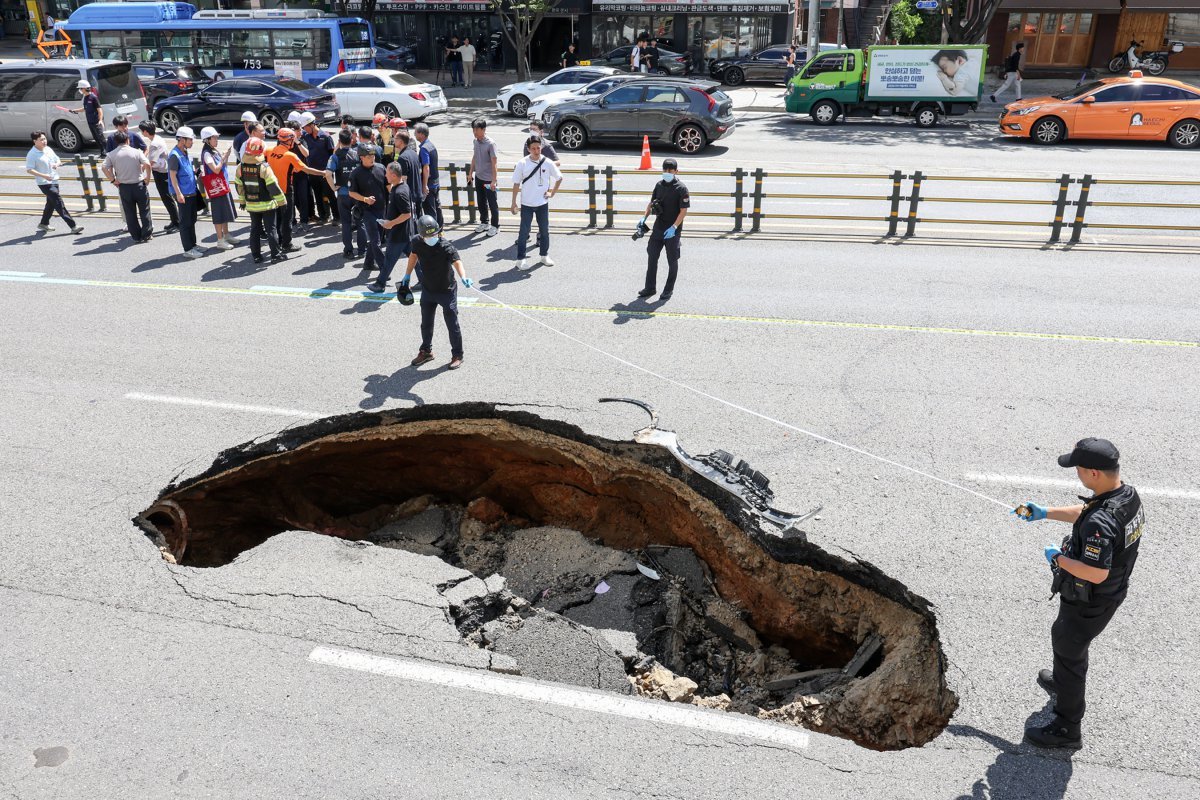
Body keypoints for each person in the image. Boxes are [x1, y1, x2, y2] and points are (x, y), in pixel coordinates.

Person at [1013, 438, 1144, 750]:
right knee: (1065, 640)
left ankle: (1067, 728)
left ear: (1094, 473)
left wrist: (1058, 559)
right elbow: (1087, 512)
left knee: (1069, 648)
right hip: (1108, 594)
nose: (1077, 475)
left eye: (1078, 470)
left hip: (1091, 600)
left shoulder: (1101, 521)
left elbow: (1095, 570)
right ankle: (1061, 682)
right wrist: (1044, 512)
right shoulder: (1125, 495)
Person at [400, 215, 470, 370]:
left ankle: (457, 355)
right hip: (428, 290)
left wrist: (463, 276)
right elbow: (413, 255)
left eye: (434, 234)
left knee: (452, 324)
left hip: (447, 291)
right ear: (421, 235)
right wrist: (407, 275)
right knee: (426, 323)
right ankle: (426, 352)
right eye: (428, 235)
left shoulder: (445, 246)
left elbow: (457, 261)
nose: (432, 237)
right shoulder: (417, 242)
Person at [266, 127, 326, 254]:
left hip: (271, 190)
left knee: (276, 219)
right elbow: (307, 169)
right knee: (287, 218)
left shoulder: (269, 150)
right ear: (290, 140)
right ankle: (287, 244)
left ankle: (278, 242)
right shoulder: (290, 155)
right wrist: (322, 173)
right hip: (286, 191)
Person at [638, 157, 689, 301]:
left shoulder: (681, 189)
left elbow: (683, 211)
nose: (667, 172)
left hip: (672, 231)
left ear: (676, 171)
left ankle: (668, 289)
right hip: (658, 228)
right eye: (665, 170)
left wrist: (674, 227)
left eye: (670, 170)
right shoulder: (659, 185)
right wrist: (644, 218)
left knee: (672, 260)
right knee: (652, 256)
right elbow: (651, 203)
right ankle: (650, 288)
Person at [510, 135, 562, 270]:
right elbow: (516, 184)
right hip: (527, 203)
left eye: (538, 148)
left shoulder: (547, 162)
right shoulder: (522, 163)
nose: (536, 151)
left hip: (542, 203)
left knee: (544, 231)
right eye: (533, 148)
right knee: (523, 232)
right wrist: (513, 202)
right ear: (528, 149)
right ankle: (520, 259)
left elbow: (559, 178)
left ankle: (544, 255)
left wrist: (552, 193)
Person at [232, 137, 286, 264]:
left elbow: (238, 186)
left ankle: (256, 256)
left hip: (251, 205)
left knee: (255, 230)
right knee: (271, 229)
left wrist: (242, 201)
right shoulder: (264, 168)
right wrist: (282, 202)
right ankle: (275, 255)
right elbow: (273, 187)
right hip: (267, 205)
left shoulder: (240, 167)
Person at [368, 161, 415, 293]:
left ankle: (380, 284)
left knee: (388, 260)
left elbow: (407, 214)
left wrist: (390, 223)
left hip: (398, 235)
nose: (385, 175)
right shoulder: (400, 187)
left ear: (394, 175)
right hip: (406, 234)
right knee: (415, 259)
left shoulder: (400, 192)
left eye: (387, 173)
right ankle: (424, 281)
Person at [25, 131, 83, 235]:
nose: (44, 141)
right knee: (58, 203)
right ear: (35, 141)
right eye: (41, 140)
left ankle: (44, 223)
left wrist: (57, 164)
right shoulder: (32, 154)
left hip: (54, 180)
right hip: (44, 183)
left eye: (44, 139)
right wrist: (44, 176)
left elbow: (57, 159)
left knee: (51, 203)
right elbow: (29, 170)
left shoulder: (48, 149)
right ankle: (73, 226)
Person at [101, 130, 154, 243]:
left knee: (130, 213)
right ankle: (146, 234)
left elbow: (104, 167)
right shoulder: (136, 152)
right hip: (139, 185)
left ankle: (136, 236)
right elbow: (148, 164)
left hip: (124, 186)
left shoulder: (112, 154)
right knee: (145, 210)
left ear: (116, 142)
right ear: (128, 140)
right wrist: (147, 178)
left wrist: (113, 180)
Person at [347, 143, 389, 272]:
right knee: (376, 241)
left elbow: (388, 186)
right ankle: (384, 269)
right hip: (367, 211)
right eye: (368, 156)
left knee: (378, 239)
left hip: (382, 209)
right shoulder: (356, 173)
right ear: (361, 157)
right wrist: (365, 199)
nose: (372, 158)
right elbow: (351, 193)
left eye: (373, 155)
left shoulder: (381, 168)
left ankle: (368, 263)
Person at [326, 129, 365, 259]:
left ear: (339, 141)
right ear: (352, 140)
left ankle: (348, 251)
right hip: (357, 194)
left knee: (346, 223)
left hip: (343, 194)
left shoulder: (335, 156)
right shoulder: (357, 155)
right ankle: (362, 250)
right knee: (360, 222)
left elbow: (328, 174)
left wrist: (333, 188)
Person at [198, 127, 238, 250]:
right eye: (214, 137)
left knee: (224, 212)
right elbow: (216, 169)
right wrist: (223, 157)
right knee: (219, 214)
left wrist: (225, 156)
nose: (217, 139)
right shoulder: (206, 153)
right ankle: (220, 240)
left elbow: (222, 166)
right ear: (207, 140)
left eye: (216, 137)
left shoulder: (213, 150)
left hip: (222, 185)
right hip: (216, 188)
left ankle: (226, 235)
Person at [168, 127, 203, 258]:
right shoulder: (174, 155)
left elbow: (184, 171)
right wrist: (178, 193)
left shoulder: (184, 152)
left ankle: (193, 244)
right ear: (182, 140)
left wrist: (195, 173)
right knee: (185, 222)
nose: (192, 142)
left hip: (191, 191)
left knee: (192, 220)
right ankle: (188, 249)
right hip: (184, 193)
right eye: (190, 139)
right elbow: (173, 176)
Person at [140, 121, 179, 233]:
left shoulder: (154, 144)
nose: (142, 133)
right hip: (164, 171)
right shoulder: (158, 138)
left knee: (167, 198)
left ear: (146, 132)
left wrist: (143, 173)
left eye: (142, 131)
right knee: (168, 198)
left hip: (161, 173)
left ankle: (177, 222)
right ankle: (175, 220)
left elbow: (150, 163)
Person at [301, 112, 336, 223]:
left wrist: (330, 171)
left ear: (312, 125)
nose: (304, 129)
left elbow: (332, 155)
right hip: (313, 172)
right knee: (318, 195)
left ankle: (336, 216)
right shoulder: (305, 137)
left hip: (326, 172)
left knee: (329, 194)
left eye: (305, 127)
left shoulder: (326, 137)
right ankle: (323, 216)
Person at [467, 118, 499, 236]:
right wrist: (471, 172)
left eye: (477, 129)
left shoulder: (490, 143)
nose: (474, 132)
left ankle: (495, 225)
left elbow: (494, 162)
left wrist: (494, 180)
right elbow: (475, 157)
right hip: (479, 177)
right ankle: (484, 222)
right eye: (473, 129)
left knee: (492, 203)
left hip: (489, 179)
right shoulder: (475, 142)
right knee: (481, 202)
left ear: (484, 130)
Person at [413, 122, 442, 228]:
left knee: (430, 210)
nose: (414, 135)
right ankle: (440, 231)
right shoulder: (431, 145)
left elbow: (426, 167)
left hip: (429, 185)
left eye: (415, 132)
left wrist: (424, 185)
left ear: (421, 134)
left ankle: (433, 234)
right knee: (437, 207)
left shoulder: (424, 149)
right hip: (436, 182)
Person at [393, 128, 424, 222]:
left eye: (395, 139)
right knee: (418, 221)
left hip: (410, 196)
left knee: (411, 224)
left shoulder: (402, 158)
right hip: (418, 193)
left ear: (400, 141)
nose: (393, 141)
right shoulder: (413, 153)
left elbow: (403, 180)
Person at [67, 80, 105, 154]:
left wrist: (100, 120)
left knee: (100, 137)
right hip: (90, 121)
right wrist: (75, 110)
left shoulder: (94, 97)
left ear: (84, 88)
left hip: (96, 122)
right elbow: (85, 108)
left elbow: (100, 110)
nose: (80, 90)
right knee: (96, 137)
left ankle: (107, 151)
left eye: (80, 88)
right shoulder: (86, 98)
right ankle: (102, 152)